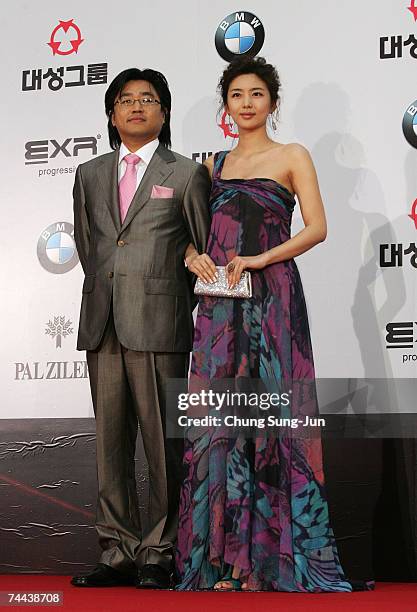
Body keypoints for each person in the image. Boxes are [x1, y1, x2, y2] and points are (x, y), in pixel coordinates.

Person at [175, 57, 353, 592]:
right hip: (220, 310)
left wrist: (261, 259)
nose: (247, 102)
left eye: (257, 94)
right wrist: (190, 254)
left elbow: (318, 228)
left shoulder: (292, 155)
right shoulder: (211, 165)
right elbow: (186, 233)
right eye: (236, 94)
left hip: (273, 299)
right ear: (224, 106)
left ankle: (267, 562)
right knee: (219, 425)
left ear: (273, 103)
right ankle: (226, 562)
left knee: (273, 422)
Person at [71, 68, 210, 589]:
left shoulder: (187, 173)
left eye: (147, 100)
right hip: (101, 321)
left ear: (164, 112)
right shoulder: (88, 173)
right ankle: (117, 550)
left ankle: (160, 549)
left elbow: (202, 249)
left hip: (159, 324)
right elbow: (91, 248)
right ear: (111, 113)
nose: (135, 107)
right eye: (125, 100)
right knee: (109, 445)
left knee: (161, 445)